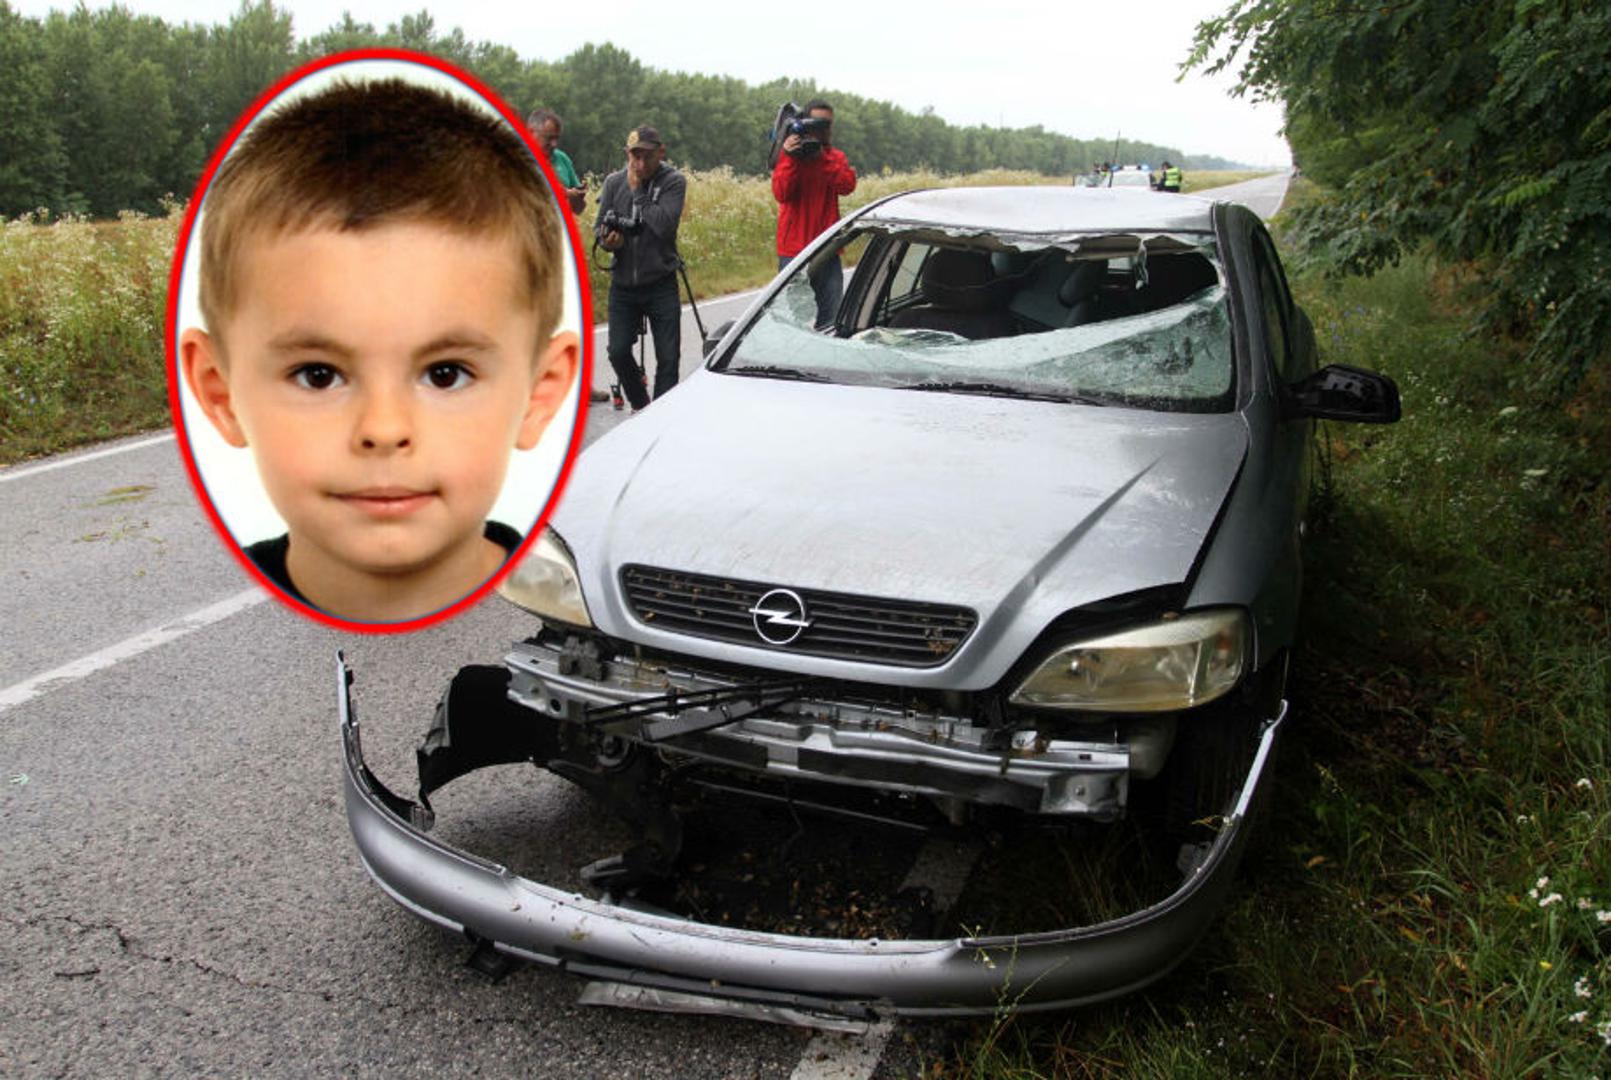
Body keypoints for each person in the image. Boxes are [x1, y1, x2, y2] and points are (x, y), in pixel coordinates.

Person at [179, 78, 579, 623]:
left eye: (445, 373)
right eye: (318, 374)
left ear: (539, 393)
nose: (385, 428)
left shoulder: (556, 590)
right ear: (220, 393)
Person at [594, 125, 687, 410]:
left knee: (668, 358)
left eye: (647, 156)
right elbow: (599, 227)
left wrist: (638, 194)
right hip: (624, 283)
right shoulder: (613, 182)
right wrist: (608, 241)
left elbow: (664, 226)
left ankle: (661, 415)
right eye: (635, 157)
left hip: (660, 281)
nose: (641, 164)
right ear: (627, 154)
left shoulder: (673, 181)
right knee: (618, 351)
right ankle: (642, 406)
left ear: (661, 152)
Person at [771, 98, 856, 329]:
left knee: (831, 319)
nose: (823, 129)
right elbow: (781, 193)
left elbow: (847, 185)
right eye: (818, 123)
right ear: (805, 123)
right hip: (794, 251)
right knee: (792, 321)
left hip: (827, 248)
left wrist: (821, 157)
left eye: (828, 124)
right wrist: (790, 157)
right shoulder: (790, 154)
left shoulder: (835, 157)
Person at [526, 107, 586, 216]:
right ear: (531, 132)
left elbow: (578, 210)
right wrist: (565, 193)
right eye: (549, 138)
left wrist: (578, 197)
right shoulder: (516, 158)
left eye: (557, 138)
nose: (554, 144)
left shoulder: (562, 158)